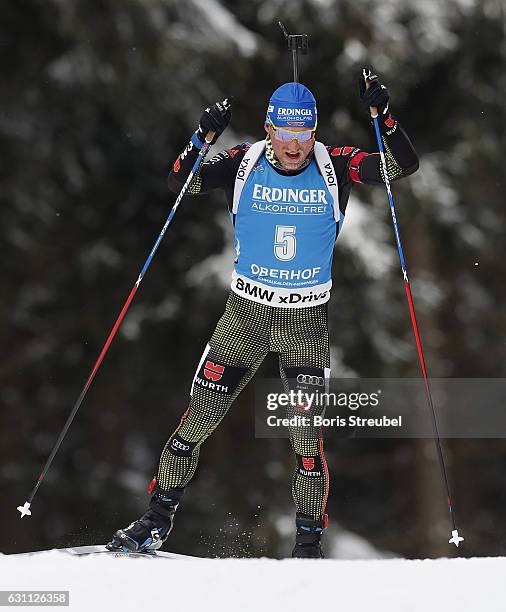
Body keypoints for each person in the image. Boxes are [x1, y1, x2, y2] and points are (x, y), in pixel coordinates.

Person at [107, 69, 419, 558]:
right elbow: (179, 183)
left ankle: (308, 547)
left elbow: (402, 166)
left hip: (305, 324)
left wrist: (384, 115)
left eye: (304, 133)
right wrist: (203, 136)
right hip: (244, 317)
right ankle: (156, 520)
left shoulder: (334, 163)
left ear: (313, 131)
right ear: (269, 128)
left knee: (305, 440)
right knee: (197, 421)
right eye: (285, 131)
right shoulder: (243, 161)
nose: (295, 144)